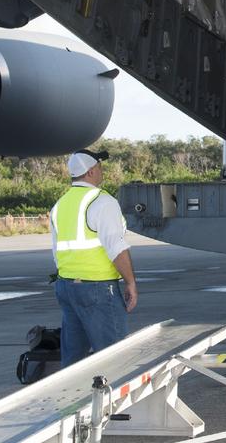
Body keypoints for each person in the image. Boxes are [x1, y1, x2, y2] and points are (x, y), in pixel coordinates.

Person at [49, 150, 137, 367]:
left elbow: (55, 250)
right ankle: (113, 399)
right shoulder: (102, 202)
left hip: (67, 287)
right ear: (90, 172)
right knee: (114, 357)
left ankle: (71, 399)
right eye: (99, 166)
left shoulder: (60, 205)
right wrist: (130, 282)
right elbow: (116, 247)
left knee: (73, 361)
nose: (101, 170)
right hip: (97, 289)